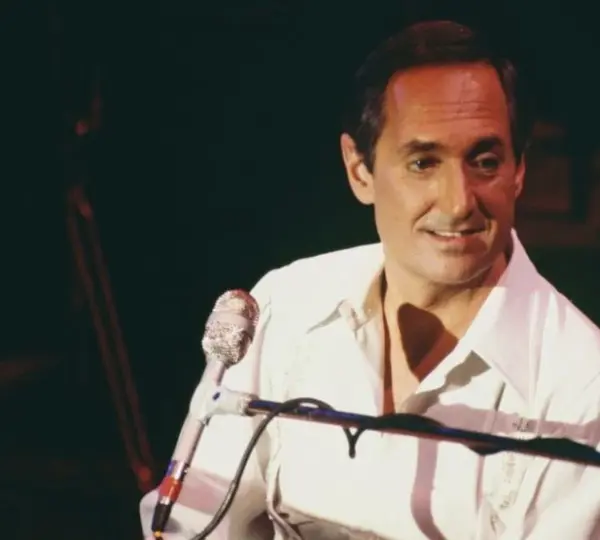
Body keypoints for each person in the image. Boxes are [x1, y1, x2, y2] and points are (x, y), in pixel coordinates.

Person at [140, 19, 600, 539]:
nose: (458, 202)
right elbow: (192, 522)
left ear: (518, 171)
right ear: (359, 171)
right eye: (423, 162)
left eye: (485, 161)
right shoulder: (287, 304)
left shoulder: (582, 387)